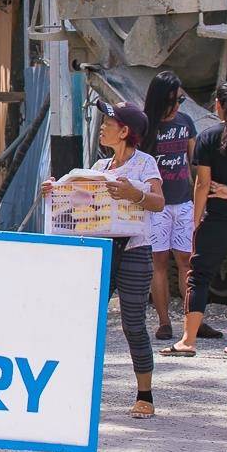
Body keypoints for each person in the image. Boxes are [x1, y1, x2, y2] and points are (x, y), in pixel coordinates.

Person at [44, 100, 164, 418]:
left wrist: (133, 194)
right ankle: (79, 391)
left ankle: (145, 395)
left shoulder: (145, 164)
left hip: (135, 250)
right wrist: (55, 191)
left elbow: (158, 201)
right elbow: (79, 203)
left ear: (125, 131)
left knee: (133, 324)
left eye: (108, 123)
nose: (102, 127)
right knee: (88, 322)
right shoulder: (99, 168)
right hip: (99, 251)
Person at [167, 81, 227, 357]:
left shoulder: (208, 138)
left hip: (217, 220)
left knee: (198, 277)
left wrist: (195, 220)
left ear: (218, 106)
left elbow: (202, 185)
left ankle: (188, 340)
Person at [142, 72, 195, 342]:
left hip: (183, 200)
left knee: (186, 261)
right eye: (173, 100)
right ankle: (164, 321)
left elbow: (193, 162)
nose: (176, 106)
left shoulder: (186, 123)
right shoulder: (145, 127)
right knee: (158, 262)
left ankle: (191, 321)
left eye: (180, 100)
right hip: (156, 206)